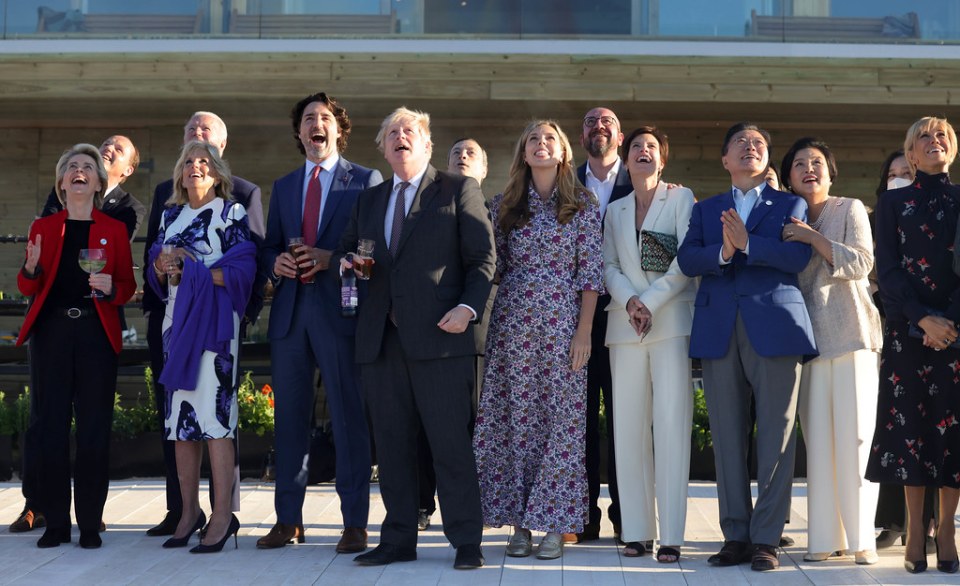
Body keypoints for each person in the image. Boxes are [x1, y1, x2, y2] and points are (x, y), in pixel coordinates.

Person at [337, 107, 495, 570]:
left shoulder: (458, 189)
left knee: (451, 446)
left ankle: (467, 540)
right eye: (392, 134)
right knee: (392, 447)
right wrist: (345, 263)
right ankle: (399, 538)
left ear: (427, 145)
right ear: (384, 149)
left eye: (410, 132)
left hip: (442, 339)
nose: (400, 138)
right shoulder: (370, 200)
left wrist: (468, 310)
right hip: (381, 341)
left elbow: (483, 262)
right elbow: (349, 251)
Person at [677, 122, 816, 572]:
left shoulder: (789, 202)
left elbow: (797, 257)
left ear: (766, 160)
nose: (750, 148)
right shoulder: (707, 208)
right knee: (727, 436)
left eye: (758, 144)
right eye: (741, 143)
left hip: (775, 326)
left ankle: (767, 539)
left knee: (776, 436)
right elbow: (688, 257)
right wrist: (723, 251)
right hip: (720, 327)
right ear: (724, 160)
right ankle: (735, 534)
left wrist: (748, 244)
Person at [474, 119, 603, 560]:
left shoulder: (583, 205)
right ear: (523, 153)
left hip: (565, 327)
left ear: (564, 152)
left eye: (550, 138)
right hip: (512, 328)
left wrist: (584, 331)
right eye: (533, 139)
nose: (542, 144)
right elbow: (487, 267)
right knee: (515, 424)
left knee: (562, 427)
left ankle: (553, 525)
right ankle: (520, 525)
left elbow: (591, 275)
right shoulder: (503, 206)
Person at [258, 92, 381, 552]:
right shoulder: (286, 185)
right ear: (299, 133)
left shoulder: (366, 181)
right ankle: (288, 520)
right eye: (308, 118)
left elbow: (374, 253)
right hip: (290, 316)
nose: (316, 124)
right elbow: (269, 246)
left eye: (324, 118)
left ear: (338, 131)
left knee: (349, 418)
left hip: (341, 313)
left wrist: (334, 258)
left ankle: (354, 523)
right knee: (288, 422)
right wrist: (277, 266)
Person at [10, 134, 145, 535]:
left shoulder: (113, 230)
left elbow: (125, 287)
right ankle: (54, 522)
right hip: (51, 334)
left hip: (95, 334)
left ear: (99, 183)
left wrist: (109, 288)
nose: (79, 172)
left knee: (93, 429)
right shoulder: (44, 227)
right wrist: (32, 269)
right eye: (72, 168)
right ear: (62, 184)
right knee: (50, 426)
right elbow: (26, 286)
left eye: (87, 168)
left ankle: (89, 523)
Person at [142, 111, 265, 537]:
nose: (196, 167)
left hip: (214, 329)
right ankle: (188, 512)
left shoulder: (230, 214)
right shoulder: (169, 216)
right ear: (179, 173)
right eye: (189, 162)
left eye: (205, 162)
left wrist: (190, 268)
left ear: (218, 172)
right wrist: (161, 266)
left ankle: (220, 517)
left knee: (214, 422)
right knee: (180, 423)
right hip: (176, 326)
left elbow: (242, 272)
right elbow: (157, 272)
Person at [779, 137, 882, 565]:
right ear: (788, 177)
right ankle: (822, 538)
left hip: (852, 336)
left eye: (817, 162)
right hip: (808, 343)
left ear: (830, 170)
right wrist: (795, 230)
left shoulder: (850, 208)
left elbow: (861, 263)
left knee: (856, 441)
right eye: (800, 163)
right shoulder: (784, 218)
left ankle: (862, 541)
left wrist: (809, 238)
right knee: (819, 444)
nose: (809, 169)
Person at [866, 116, 960, 575]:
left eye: (942, 134)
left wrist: (949, 323)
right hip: (908, 332)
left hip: (957, 336)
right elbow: (888, 270)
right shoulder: (892, 203)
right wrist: (922, 318)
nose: (934, 140)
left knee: (952, 433)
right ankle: (914, 529)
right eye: (925, 136)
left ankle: (946, 529)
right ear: (911, 153)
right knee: (912, 434)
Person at [603, 126, 695, 562]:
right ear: (625, 158)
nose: (643, 152)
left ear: (663, 159)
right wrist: (631, 302)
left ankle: (672, 534)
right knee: (628, 428)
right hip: (624, 327)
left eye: (651, 147)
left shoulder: (681, 199)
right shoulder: (615, 209)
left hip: (670, 322)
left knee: (672, 424)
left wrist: (651, 302)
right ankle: (637, 531)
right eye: (636, 147)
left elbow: (685, 262)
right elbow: (608, 265)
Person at [416, 137, 490, 533]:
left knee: (474, 428)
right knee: (429, 426)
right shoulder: (431, 209)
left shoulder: (496, 211)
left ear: (484, 169)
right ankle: (422, 505)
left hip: (480, 338)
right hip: (434, 332)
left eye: (470, 153)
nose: (462, 156)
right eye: (455, 153)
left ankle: (473, 513)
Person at [870, 150, 939, 549]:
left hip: (940, 330)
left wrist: (934, 320)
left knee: (933, 428)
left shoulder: (938, 211)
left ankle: (929, 523)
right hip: (892, 330)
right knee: (897, 428)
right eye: (890, 173)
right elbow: (880, 277)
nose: (897, 179)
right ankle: (894, 520)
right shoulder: (879, 214)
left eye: (904, 173)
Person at [575, 106, 630, 543]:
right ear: (582, 136)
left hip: (629, 314)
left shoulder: (645, 181)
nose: (599, 127)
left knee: (625, 416)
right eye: (592, 122)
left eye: (607, 122)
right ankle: (584, 514)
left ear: (620, 135)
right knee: (581, 419)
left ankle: (628, 514)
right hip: (575, 319)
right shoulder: (563, 183)